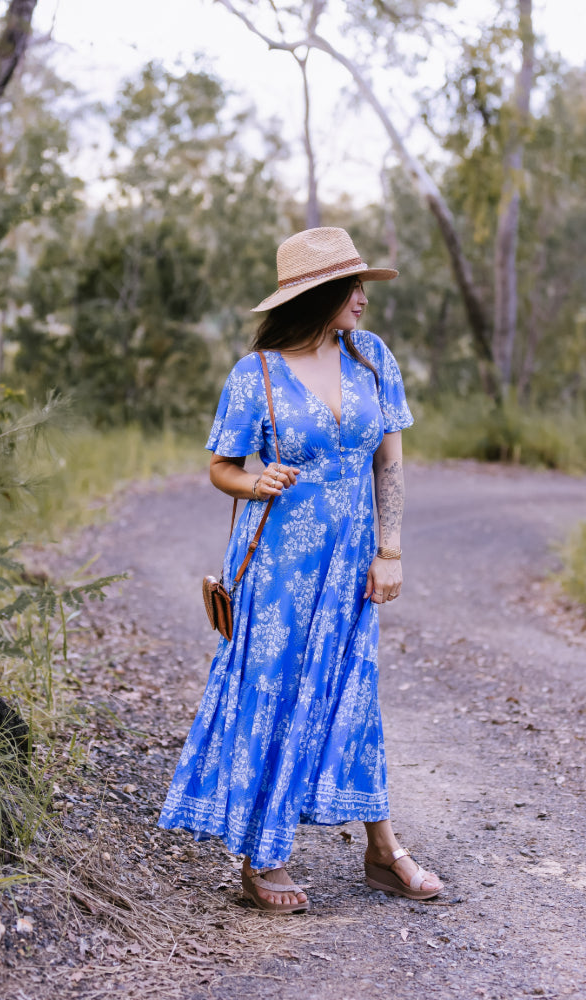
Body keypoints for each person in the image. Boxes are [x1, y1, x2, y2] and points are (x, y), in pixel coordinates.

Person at [158, 227, 443, 913]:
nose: (362, 301)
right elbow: (221, 468)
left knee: (353, 693)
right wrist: (253, 483)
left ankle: (382, 850)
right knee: (274, 694)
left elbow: (390, 460)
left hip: (350, 564)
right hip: (279, 568)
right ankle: (262, 856)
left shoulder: (373, 359)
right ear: (316, 294)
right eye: (351, 288)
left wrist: (391, 549)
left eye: (362, 287)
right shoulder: (255, 375)